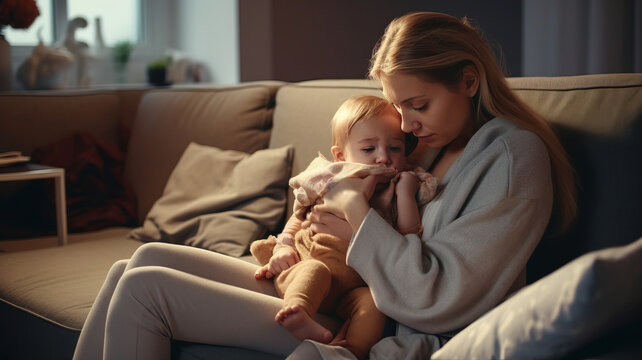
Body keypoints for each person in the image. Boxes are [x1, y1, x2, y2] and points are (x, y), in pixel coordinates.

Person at [74, 11, 576, 360]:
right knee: (139, 261)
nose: (404, 126)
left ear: (469, 81)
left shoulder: (512, 157)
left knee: (145, 290)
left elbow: (437, 297)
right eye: (398, 108)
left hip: (385, 325)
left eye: (417, 105)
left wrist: (351, 210)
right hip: (337, 288)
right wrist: (295, 241)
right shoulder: (426, 144)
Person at [249, 95, 437, 359]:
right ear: (340, 155)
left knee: (373, 302)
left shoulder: (400, 189)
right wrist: (284, 245)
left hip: (352, 290)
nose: (383, 158)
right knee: (316, 271)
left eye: (394, 148)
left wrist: (405, 196)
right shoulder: (332, 178)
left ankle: (352, 349)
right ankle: (297, 313)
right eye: (369, 149)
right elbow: (300, 215)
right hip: (305, 263)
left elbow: (409, 237)